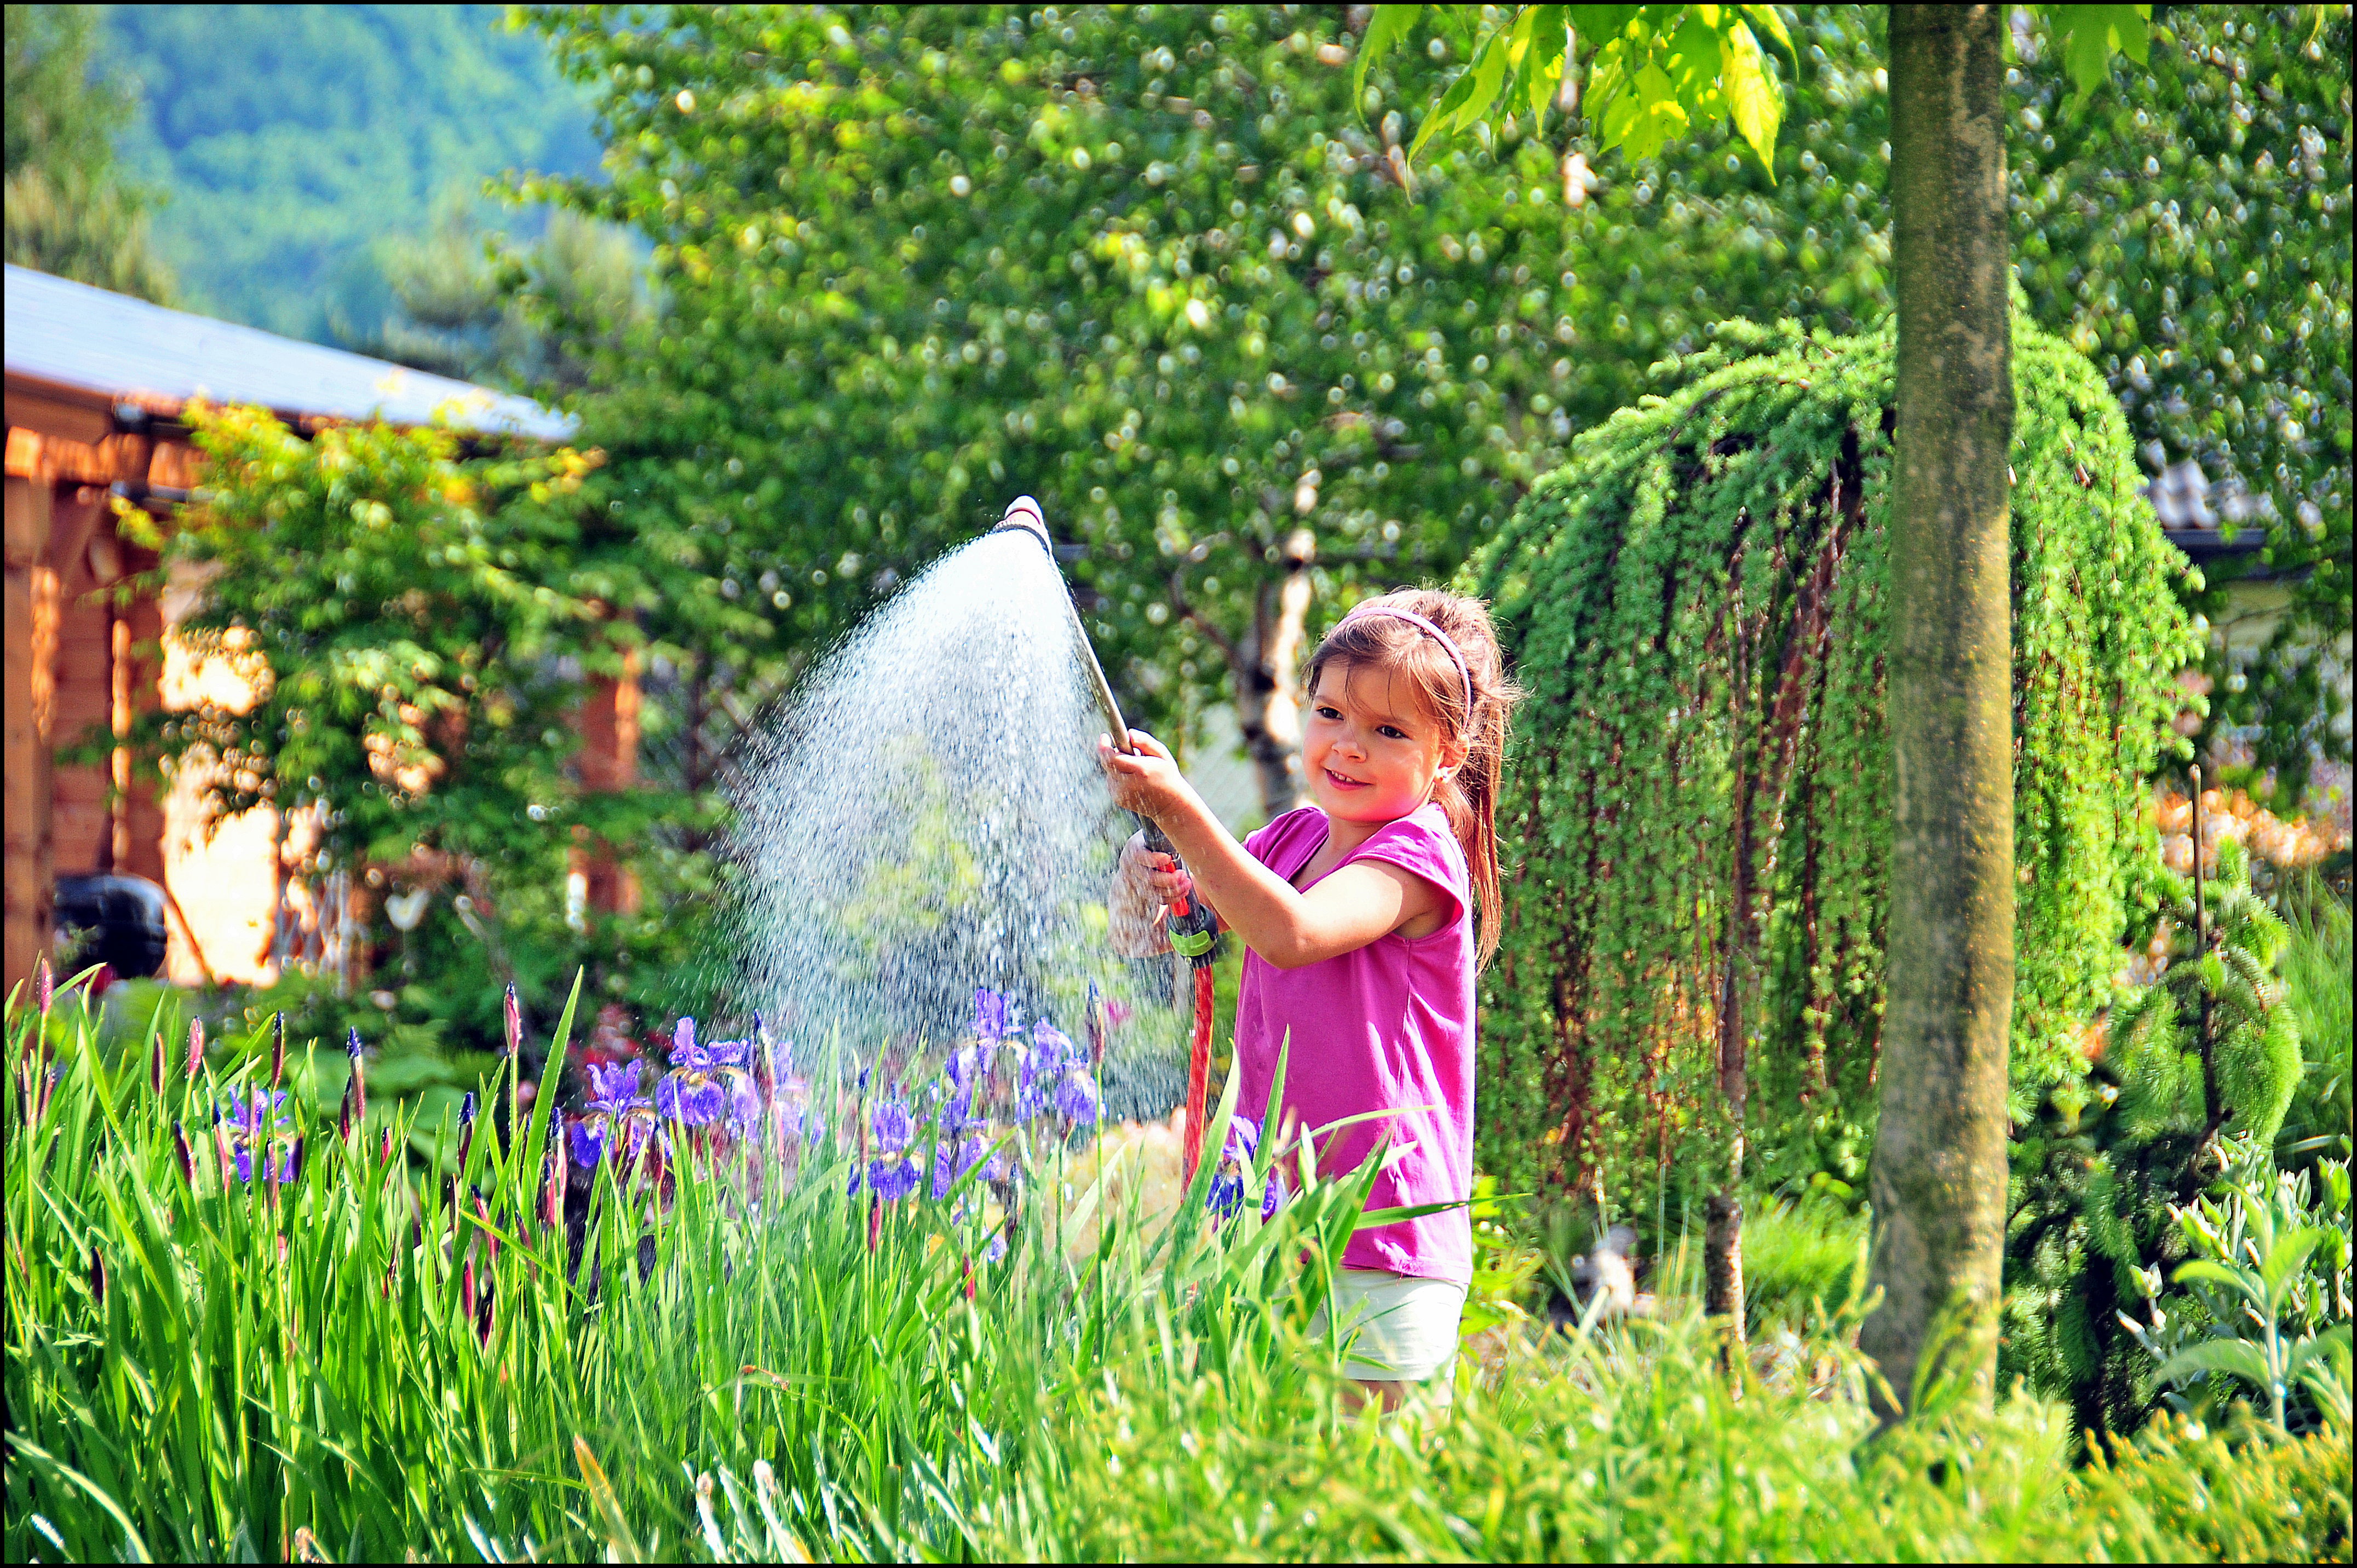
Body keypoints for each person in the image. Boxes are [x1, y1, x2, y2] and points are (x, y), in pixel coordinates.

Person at [1100, 587, 1520, 1409]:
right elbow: (1146, 937)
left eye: (1389, 732)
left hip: (1379, 1230)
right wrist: (1136, 887)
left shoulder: (1417, 861)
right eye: (1330, 714)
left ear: (1447, 754)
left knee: (1366, 1498)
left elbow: (1291, 932)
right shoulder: (1288, 840)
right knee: (1273, 1480)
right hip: (1268, 1218)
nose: (1349, 747)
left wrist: (1182, 809)